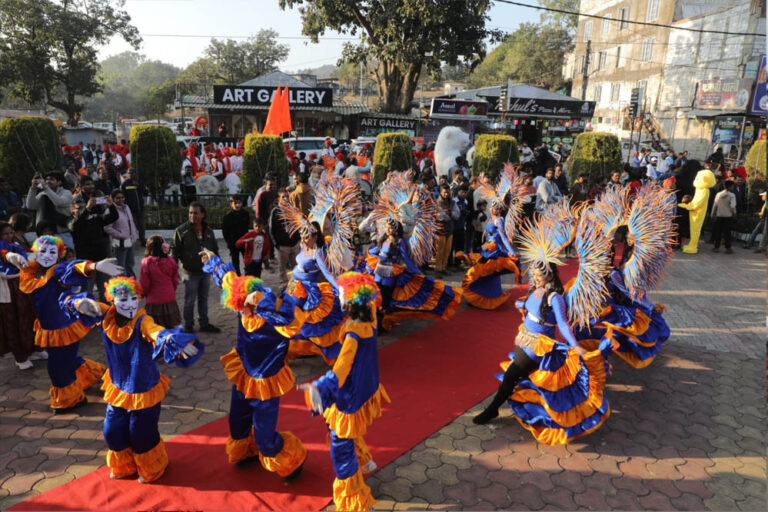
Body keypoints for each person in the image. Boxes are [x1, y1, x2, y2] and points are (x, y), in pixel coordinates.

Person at [67, 277, 202, 483]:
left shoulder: (142, 320)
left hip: (143, 387)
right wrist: (78, 303)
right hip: (119, 387)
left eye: (134, 298)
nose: (130, 304)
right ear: (112, 301)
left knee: (141, 434)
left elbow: (155, 331)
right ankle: (125, 466)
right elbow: (69, 301)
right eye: (123, 299)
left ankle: (152, 468)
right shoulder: (105, 315)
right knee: (112, 431)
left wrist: (169, 339)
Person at [200, 251, 307, 479]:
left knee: (265, 438)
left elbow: (291, 317)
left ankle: (293, 460)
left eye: (243, 307)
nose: (241, 312)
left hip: (266, 384)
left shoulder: (274, 316)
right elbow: (229, 280)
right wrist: (212, 260)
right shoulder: (242, 304)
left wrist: (260, 300)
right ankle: (246, 450)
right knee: (237, 423)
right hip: (244, 375)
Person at [299, 271, 390, 512]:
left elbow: (341, 368)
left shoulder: (352, 332)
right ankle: (364, 460)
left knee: (340, 446)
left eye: (341, 293)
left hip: (350, 395)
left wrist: (319, 388)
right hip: (366, 385)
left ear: (349, 300)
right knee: (341, 431)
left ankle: (356, 502)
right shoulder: (370, 313)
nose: (338, 296)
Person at [0, 235, 123, 412]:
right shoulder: (32, 269)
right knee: (66, 358)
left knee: (57, 367)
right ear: (35, 253)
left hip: (63, 327)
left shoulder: (58, 271)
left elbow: (73, 268)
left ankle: (70, 399)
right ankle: (90, 376)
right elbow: (6, 250)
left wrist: (94, 266)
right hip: (49, 327)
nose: (47, 255)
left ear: (58, 255)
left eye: (52, 252)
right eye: (42, 251)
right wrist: (9, 255)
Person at [172, 202, 221, 334]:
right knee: (189, 299)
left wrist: (217, 267)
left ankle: (204, 323)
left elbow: (215, 249)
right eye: (190, 213)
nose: (192, 215)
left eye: (195, 213)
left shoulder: (209, 231)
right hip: (189, 272)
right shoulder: (181, 231)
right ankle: (188, 325)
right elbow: (174, 251)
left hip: (206, 271)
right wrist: (173, 270)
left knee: (203, 298)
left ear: (202, 214)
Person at [0, 222, 42, 370]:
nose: (9, 236)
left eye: (11, 233)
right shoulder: (5, 249)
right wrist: (12, 257)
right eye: (5, 234)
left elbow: (29, 253)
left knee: (29, 318)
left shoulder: (16, 245)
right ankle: (20, 357)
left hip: (22, 287)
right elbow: (5, 255)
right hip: (6, 291)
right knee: (12, 323)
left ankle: (34, 349)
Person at [69, 191, 118, 299]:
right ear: (72, 211)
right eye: (79, 208)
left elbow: (113, 217)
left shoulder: (95, 218)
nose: (82, 210)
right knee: (87, 291)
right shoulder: (72, 222)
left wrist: (111, 206)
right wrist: (87, 209)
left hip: (101, 259)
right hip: (85, 262)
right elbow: (76, 224)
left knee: (105, 290)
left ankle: (105, 308)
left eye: (83, 207)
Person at [139, 235, 182, 329]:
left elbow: (145, 284)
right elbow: (175, 280)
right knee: (170, 326)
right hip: (169, 298)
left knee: (154, 328)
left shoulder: (146, 262)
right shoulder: (171, 261)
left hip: (154, 300)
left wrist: (143, 294)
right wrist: (171, 290)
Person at [25, 171, 74, 249]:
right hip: (45, 235)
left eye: (51, 179)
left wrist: (46, 188)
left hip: (62, 233)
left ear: (59, 182)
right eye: (46, 179)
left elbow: (58, 202)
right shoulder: (42, 194)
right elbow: (30, 206)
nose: (48, 181)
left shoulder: (66, 193)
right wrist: (33, 188)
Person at [678, 169, 716, 254]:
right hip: (694, 212)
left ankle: (693, 247)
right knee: (693, 230)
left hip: (697, 213)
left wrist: (686, 206)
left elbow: (697, 204)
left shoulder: (704, 191)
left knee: (695, 230)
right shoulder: (700, 189)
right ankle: (692, 245)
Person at [104, 189, 139, 278]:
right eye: (118, 198)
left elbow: (131, 222)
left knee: (130, 264)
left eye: (122, 197)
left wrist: (134, 235)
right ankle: (121, 285)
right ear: (112, 199)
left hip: (131, 241)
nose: (121, 200)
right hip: (119, 243)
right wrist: (121, 235)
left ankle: (131, 283)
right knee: (120, 266)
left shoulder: (126, 207)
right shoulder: (110, 211)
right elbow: (107, 228)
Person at [270, 188, 300, 286]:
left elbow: (298, 225)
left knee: (296, 266)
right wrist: (276, 244)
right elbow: (272, 229)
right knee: (282, 267)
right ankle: (283, 285)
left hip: (294, 244)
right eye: (283, 197)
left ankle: (295, 285)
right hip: (283, 245)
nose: (286, 199)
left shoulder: (293, 210)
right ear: (279, 199)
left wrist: (298, 240)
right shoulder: (275, 211)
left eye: (287, 196)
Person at [222, 195, 251, 275]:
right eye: (235, 203)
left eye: (239, 203)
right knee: (235, 261)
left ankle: (247, 275)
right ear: (231, 204)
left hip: (244, 241)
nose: (237, 205)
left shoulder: (245, 214)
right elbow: (225, 232)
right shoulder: (227, 217)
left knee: (247, 260)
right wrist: (229, 242)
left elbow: (246, 227)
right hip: (233, 242)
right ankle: (237, 277)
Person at [434, 184, 458, 276]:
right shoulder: (437, 203)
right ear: (440, 192)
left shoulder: (453, 202)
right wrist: (446, 215)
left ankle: (443, 268)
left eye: (448, 192)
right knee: (440, 250)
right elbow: (437, 215)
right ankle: (438, 269)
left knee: (447, 250)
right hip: (440, 230)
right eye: (444, 192)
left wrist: (451, 214)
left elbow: (457, 214)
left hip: (450, 229)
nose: (446, 194)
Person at [120, 168, 147, 246]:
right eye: (129, 173)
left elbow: (145, 193)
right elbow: (123, 197)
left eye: (132, 173)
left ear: (135, 173)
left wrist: (138, 186)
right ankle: (132, 241)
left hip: (140, 208)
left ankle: (142, 241)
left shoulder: (140, 182)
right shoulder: (125, 184)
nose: (131, 174)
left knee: (142, 226)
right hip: (130, 210)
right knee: (132, 226)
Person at [710, 180, 737, 254]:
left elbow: (715, 205)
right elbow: (733, 206)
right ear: (730, 187)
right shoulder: (732, 195)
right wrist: (734, 213)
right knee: (727, 233)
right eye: (733, 186)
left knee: (718, 232)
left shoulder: (718, 194)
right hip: (728, 216)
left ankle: (716, 247)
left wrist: (712, 214)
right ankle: (728, 248)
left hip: (719, 215)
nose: (733, 187)